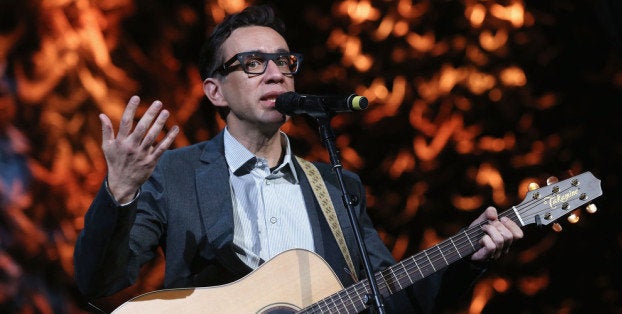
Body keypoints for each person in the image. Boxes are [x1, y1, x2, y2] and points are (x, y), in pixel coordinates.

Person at [73, 5, 523, 313]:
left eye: (283, 61)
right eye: (252, 63)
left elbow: (392, 299)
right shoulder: (176, 174)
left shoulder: (336, 187)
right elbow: (100, 282)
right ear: (215, 91)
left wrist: (471, 255)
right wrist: (121, 191)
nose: (274, 73)